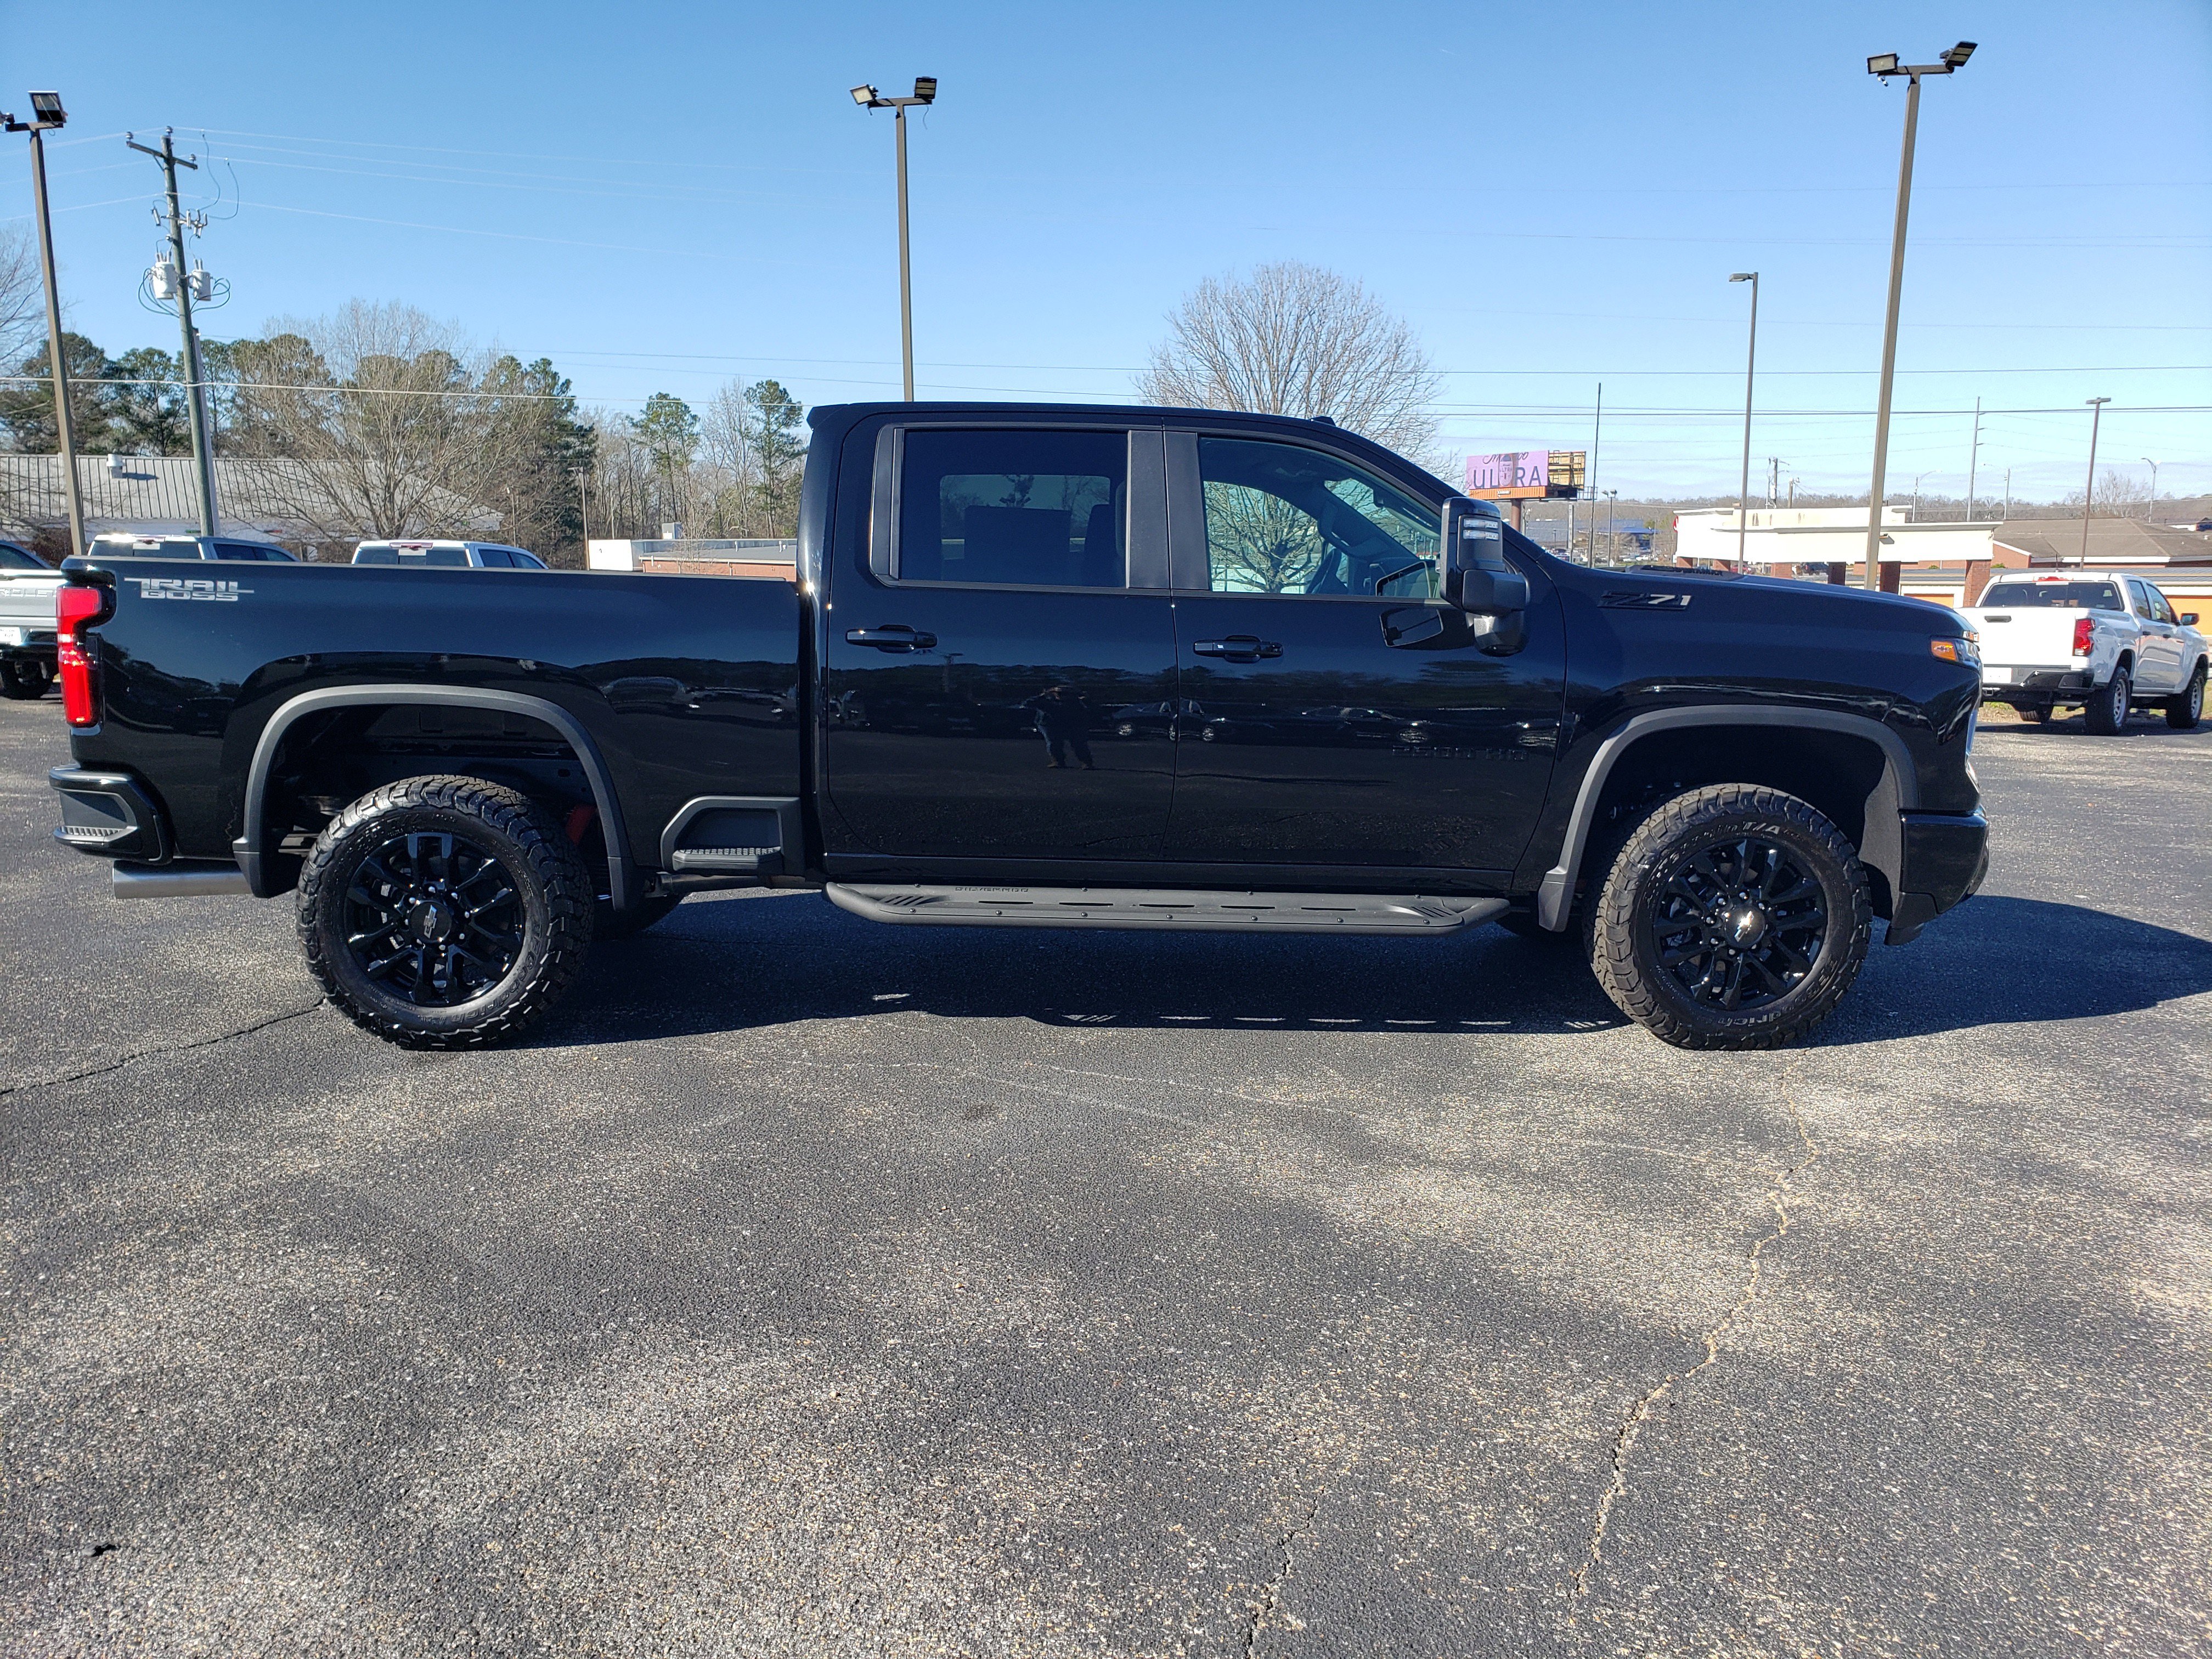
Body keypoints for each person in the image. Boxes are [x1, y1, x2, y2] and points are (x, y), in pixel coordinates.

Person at [1023, 684, 1095, 769]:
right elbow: (1027, 703)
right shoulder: (1047, 700)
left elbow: (1092, 710)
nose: (1061, 696)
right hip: (1050, 725)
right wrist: (1042, 696)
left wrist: (1086, 699)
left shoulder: (1077, 702)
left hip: (1072, 725)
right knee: (1054, 744)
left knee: (1079, 744)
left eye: (1065, 694)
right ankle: (1057, 761)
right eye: (1058, 693)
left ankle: (1086, 763)